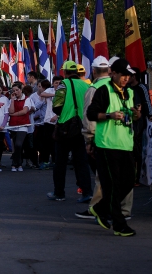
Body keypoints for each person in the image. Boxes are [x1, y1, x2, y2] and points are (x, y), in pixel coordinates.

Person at [86, 58, 141, 237]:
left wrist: (137, 114)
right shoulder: (104, 90)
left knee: (128, 181)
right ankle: (119, 224)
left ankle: (101, 208)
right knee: (113, 185)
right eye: (123, 75)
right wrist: (109, 115)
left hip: (125, 144)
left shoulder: (130, 93)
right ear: (113, 73)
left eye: (128, 76)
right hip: (107, 144)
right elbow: (91, 113)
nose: (126, 79)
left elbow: (136, 116)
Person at [76, 56, 135, 221]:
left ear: (93, 71)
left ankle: (99, 208)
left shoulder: (96, 88)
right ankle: (123, 210)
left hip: (106, 140)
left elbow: (89, 117)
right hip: (125, 140)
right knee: (125, 179)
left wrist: (89, 138)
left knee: (104, 177)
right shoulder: (125, 90)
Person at [47, 61, 93, 202]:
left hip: (65, 128)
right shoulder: (87, 85)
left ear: (65, 72)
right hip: (82, 127)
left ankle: (59, 193)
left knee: (60, 162)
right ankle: (87, 192)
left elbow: (57, 107)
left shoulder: (63, 85)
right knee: (81, 162)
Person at [129, 68, 152, 186]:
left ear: (134, 76)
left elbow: (147, 101)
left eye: (129, 75)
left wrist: (150, 115)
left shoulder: (141, 87)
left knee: (137, 148)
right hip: (127, 121)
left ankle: (136, 177)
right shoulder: (125, 88)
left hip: (139, 122)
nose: (127, 77)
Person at [8, 83, 31, 172]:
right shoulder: (11, 100)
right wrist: (12, 100)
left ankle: (17, 162)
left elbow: (25, 111)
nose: (15, 92)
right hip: (13, 125)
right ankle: (17, 163)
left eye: (17, 90)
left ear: (21, 90)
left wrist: (14, 115)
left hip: (23, 125)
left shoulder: (27, 99)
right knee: (15, 145)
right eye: (13, 91)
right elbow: (11, 110)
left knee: (19, 144)